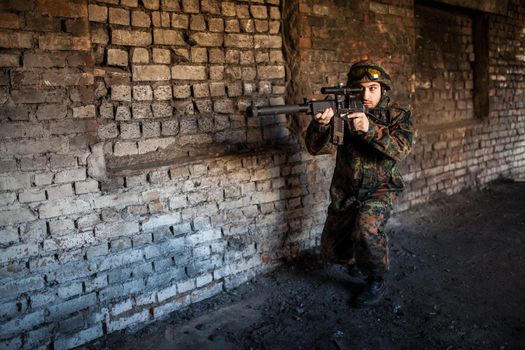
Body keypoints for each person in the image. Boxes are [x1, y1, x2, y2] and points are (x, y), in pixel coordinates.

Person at [305, 60, 414, 307]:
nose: (366, 95)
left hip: (381, 188)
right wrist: (321, 124)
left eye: (372, 88)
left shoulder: (397, 114)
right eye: (359, 89)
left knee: (366, 228)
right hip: (347, 189)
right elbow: (316, 148)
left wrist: (370, 129)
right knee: (333, 250)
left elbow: (400, 149)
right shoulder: (342, 112)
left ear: (383, 89)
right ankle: (357, 260)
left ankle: (376, 279)